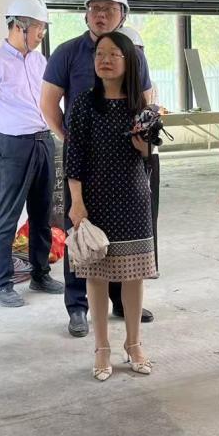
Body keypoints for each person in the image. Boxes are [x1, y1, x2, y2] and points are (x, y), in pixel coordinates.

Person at [41, 0, 156, 337]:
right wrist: (74, 140)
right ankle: (78, 307)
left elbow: (147, 101)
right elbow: (48, 103)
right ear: (85, 13)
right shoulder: (67, 52)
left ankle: (122, 300)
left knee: (124, 236)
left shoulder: (134, 54)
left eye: (108, 9)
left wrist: (143, 138)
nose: (100, 14)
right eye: (94, 8)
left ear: (123, 15)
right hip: (85, 163)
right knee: (82, 233)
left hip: (127, 162)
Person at [64, 31, 158, 381]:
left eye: (113, 54)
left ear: (128, 61)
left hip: (134, 198)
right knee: (97, 276)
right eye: (99, 54)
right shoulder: (84, 103)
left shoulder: (141, 106)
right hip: (95, 200)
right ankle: (101, 347)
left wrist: (142, 140)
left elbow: (148, 154)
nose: (104, 60)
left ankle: (134, 344)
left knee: (133, 275)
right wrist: (76, 203)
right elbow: (73, 156)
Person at [0, 0, 65, 307]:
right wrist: (2, 138)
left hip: (43, 141)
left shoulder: (41, 62)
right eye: (38, 27)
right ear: (19, 26)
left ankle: (40, 274)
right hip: (13, 144)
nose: (42, 34)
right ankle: (1, 285)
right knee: (7, 215)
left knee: (42, 213)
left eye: (43, 28)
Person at [119, 25, 162, 275]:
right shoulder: (109, 89)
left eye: (138, 52)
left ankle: (149, 263)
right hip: (119, 161)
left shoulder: (149, 84)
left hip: (147, 156)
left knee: (148, 212)